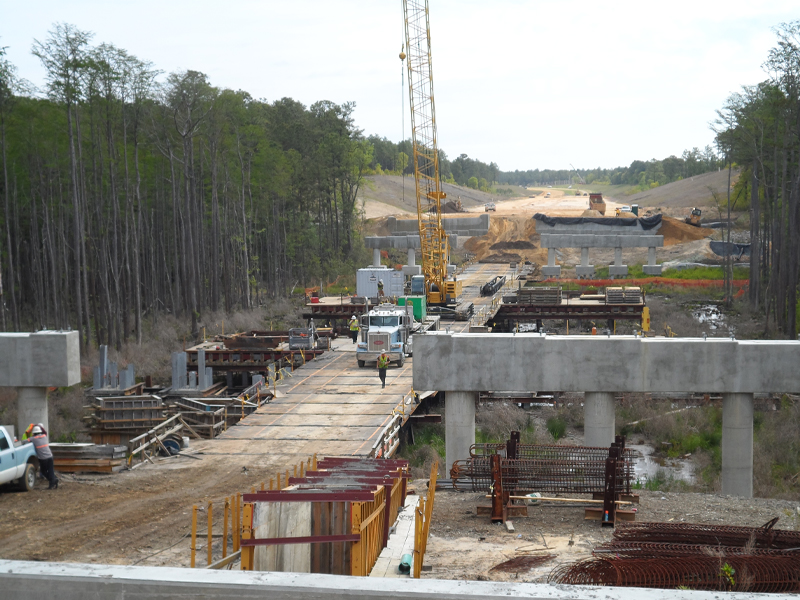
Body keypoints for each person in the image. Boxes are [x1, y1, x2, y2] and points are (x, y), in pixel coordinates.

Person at [24, 424, 58, 489]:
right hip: (50, 456)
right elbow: (44, 432)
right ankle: (53, 482)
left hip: (43, 459)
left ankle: (53, 480)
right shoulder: (44, 436)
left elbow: (24, 441)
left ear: (34, 433)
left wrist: (27, 432)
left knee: (43, 471)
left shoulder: (33, 439)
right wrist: (39, 426)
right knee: (51, 470)